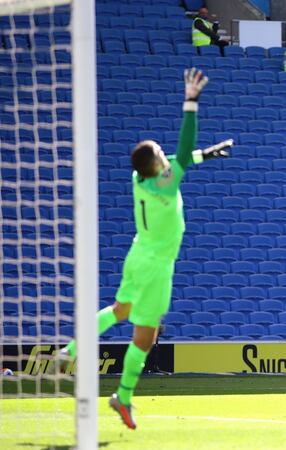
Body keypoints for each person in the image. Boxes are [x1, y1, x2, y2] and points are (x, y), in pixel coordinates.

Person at [56, 68, 231, 430]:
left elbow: (178, 159)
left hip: (138, 254)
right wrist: (191, 103)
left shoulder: (140, 179)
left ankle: (69, 350)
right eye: (160, 157)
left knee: (119, 310)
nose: (166, 157)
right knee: (146, 335)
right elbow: (182, 152)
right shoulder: (166, 185)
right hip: (156, 266)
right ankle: (123, 395)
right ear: (157, 169)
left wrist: (206, 156)